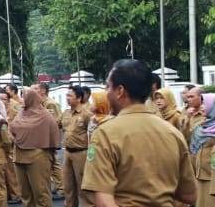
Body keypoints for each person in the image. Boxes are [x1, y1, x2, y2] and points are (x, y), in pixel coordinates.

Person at [83, 59, 197, 207]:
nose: (106, 93)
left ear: (120, 91)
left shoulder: (105, 134)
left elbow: (104, 201)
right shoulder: (172, 133)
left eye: (108, 86)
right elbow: (189, 195)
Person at [61, 86, 92, 207]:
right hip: (67, 153)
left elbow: (94, 134)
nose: (67, 98)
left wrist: (92, 154)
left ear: (79, 98)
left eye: (70, 96)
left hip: (81, 153)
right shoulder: (66, 113)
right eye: (66, 96)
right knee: (68, 188)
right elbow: (55, 124)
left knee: (83, 188)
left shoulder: (86, 114)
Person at [187, 90, 215, 207]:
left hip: (211, 177)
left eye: (206, 103)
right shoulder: (202, 124)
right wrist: (187, 118)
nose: (203, 107)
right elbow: (188, 139)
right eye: (202, 103)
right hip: (199, 173)